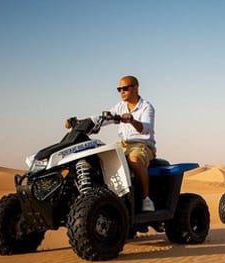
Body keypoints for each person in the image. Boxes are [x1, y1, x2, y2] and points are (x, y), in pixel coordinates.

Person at [65, 75, 156, 211]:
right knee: (100, 157)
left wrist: (131, 120)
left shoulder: (146, 107)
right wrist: (79, 122)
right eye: (119, 89)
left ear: (136, 88)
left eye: (125, 88)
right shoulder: (120, 107)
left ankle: (146, 199)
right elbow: (102, 118)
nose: (122, 92)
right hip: (122, 144)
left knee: (134, 160)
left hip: (141, 145)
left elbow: (146, 129)